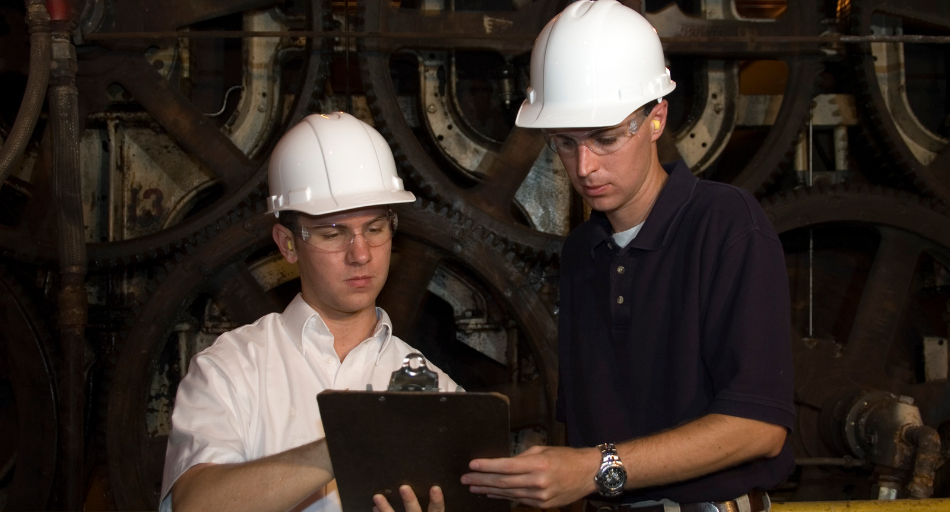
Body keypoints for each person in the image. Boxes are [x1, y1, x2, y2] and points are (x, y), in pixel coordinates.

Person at [462, 1, 795, 510]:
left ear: (656, 117)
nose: (585, 166)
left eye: (606, 137)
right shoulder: (581, 253)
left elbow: (759, 427)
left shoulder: (726, 224)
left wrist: (596, 468)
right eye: (565, 143)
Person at [160, 112, 458, 512]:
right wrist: (348, 439)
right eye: (333, 233)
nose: (361, 254)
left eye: (374, 229)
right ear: (287, 244)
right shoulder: (231, 370)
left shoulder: (439, 392)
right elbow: (196, 504)